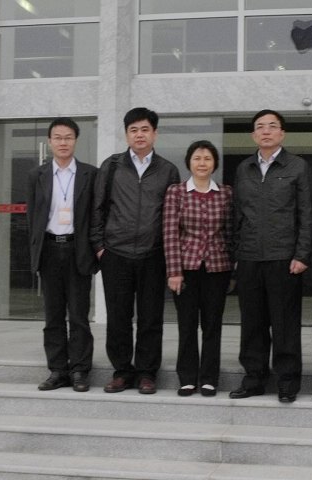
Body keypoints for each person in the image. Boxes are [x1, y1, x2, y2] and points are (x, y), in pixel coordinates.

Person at [91, 107, 180, 394]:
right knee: (118, 316)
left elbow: (173, 215)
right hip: (116, 253)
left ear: (155, 133)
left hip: (153, 254)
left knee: (150, 317)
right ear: (126, 134)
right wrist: (100, 247)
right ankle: (121, 371)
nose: (139, 135)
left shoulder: (167, 170)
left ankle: (147, 373)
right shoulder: (112, 166)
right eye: (133, 130)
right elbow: (97, 208)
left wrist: (169, 254)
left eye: (144, 129)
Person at [230, 109, 312, 403]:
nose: (266, 131)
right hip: (250, 257)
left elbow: (306, 214)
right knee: (252, 323)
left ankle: (287, 381)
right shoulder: (244, 168)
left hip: (284, 258)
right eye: (260, 127)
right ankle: (254, 378)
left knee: (284, 324)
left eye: (272, 126)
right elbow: (237, 215)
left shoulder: (297, 166)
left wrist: (302, 254)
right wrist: (236, 254)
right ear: (253, 135)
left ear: (282, 133)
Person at [26, 117, 98, 392]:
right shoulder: (37, 175)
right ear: (49, 141)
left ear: (75, 141)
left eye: (68, 137)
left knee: (79, 315)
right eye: (58, 137)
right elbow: (32, 218)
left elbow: (96, 214)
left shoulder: (91, 174)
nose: (63, 142)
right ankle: (57, 370)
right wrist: (35, 251)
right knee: (53, 315)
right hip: (49, 249)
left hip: (78, 249)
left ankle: (80, 370)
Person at [163, 140, 233, 397]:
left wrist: (233, 270)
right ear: (189, 163)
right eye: (197, 158)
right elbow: (170, 233)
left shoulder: (226, 193)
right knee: (187, 324)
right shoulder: (176, 192)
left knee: (212, 325)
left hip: (218, 268)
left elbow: (229, 233)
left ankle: (209, 378)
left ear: (214, 163)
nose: (202, 163)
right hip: (186, 269)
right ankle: (187, 378)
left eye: (207, 158)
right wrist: (174, 271)